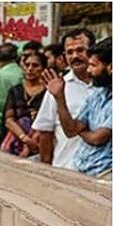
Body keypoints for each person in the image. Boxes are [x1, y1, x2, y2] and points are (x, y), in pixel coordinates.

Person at [43, 37, 111, 175]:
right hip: (83, 170)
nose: (89, 70)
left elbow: (97, 139)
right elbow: (70, 130)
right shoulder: (97, 94)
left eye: (93, 65)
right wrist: (59, 97)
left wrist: (82, 131)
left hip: (107, 174)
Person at [33, 28, 95, 169]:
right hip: (67, 169)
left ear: (93, 52)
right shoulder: (58, 87)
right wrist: (47, 172)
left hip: (101, 173)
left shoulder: (106, 87)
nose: (75, 56)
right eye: (70, 52)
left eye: (80, 50)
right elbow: (45, 132)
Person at [0, 52, 47, 157]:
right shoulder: (16, 90)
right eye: (27, 65)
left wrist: (31, 142)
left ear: (43, 69)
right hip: (16, 137)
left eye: (35, 65)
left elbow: (48, 119)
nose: (30, 69)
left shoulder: (48, 92)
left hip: (39, 141)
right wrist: (25, 138)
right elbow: (9, 120)